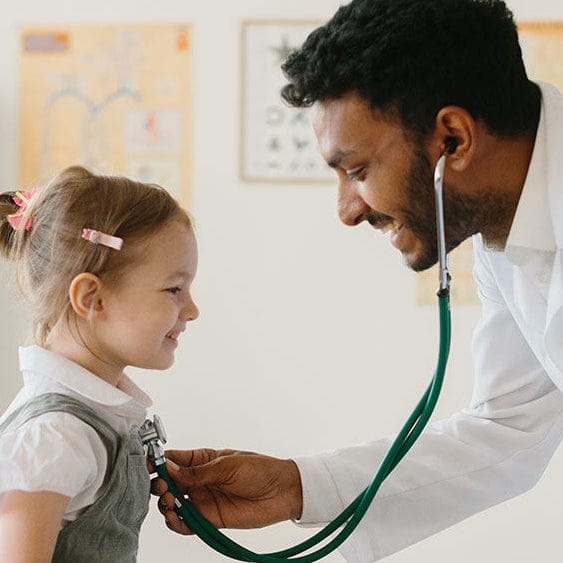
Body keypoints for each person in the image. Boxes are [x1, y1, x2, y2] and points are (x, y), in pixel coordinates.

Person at [151, 0, 563, 560]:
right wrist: (295, 486)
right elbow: (508, 430)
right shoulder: (505, 233)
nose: (347, 210)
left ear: (454, 140)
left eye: (358, 171)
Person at [0, 165, 199, 562]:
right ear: (92, 297)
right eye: (174, 290)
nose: (192, 310)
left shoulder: (94, 419)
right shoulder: (57, 436)